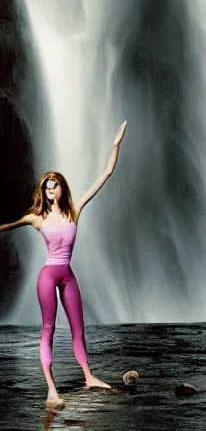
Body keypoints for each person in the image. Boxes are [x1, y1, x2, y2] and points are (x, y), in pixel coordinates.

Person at [0, 121, 128, 408]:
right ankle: (51, 389)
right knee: (48, 329)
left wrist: (116, 143)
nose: (50, 191)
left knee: (77, 328)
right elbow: (5, 226)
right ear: (42, 191)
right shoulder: (36, 218)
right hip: (48, 275)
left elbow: (105, 175)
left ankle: (88, 377)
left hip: (68, 275)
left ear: (61, 187)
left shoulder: (75, 209)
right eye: (46, 187)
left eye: (54, 186)